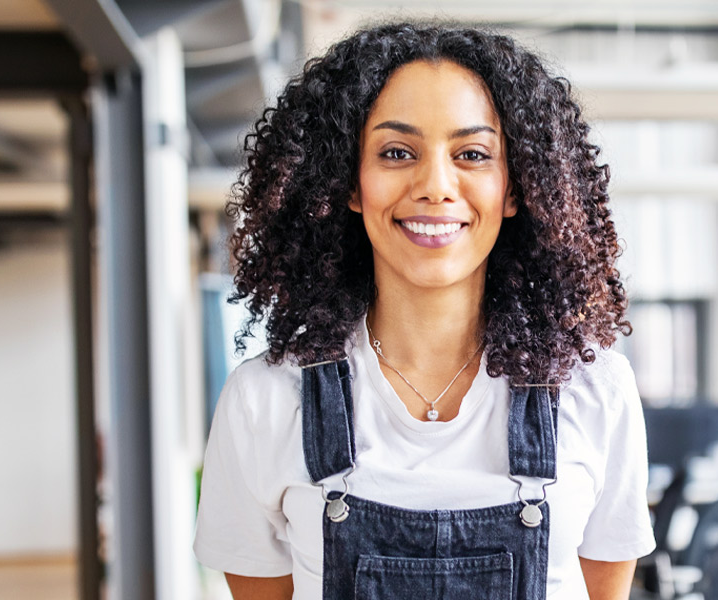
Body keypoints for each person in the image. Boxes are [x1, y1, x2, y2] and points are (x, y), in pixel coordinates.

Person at [194, 23, 654, 599]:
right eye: (396, 152)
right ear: (350, 183)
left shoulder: (595, 390)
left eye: (472, 154)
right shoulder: (264, 399)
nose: (436, 185)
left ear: (515, 189)